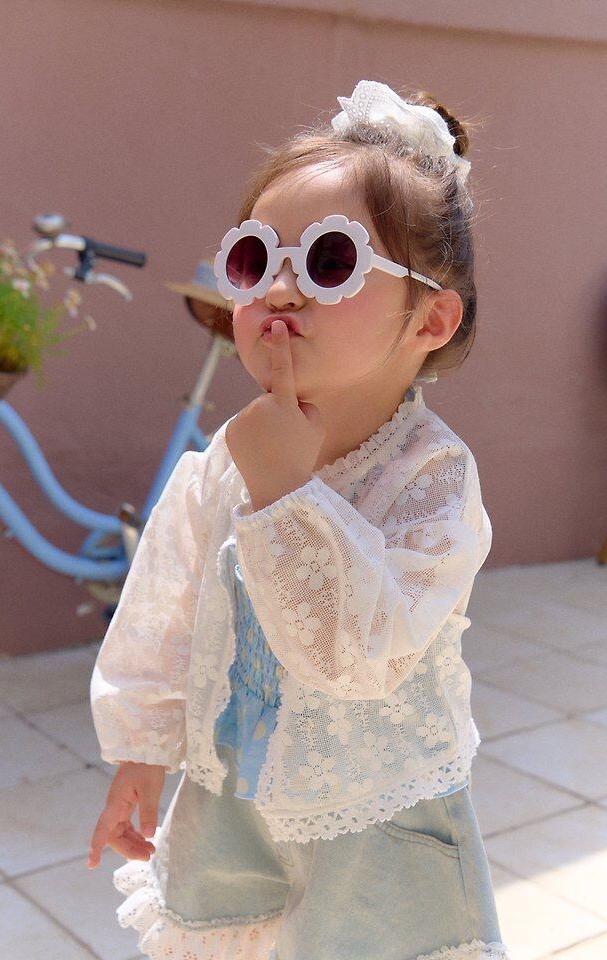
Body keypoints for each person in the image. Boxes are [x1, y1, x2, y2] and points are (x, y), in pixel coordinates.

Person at [87, 79, 511, 960]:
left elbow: (358, 659)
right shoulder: (223, 462)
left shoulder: (430, 479)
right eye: (254, 260)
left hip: (372, 813)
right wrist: (142, 750)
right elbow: (167, 606)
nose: (280, 290)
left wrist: (287, 492)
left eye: (328, 262)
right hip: (229, 798)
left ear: (431, 318)